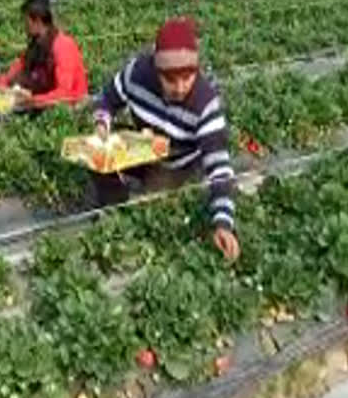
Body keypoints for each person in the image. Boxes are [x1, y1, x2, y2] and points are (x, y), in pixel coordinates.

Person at [93, 17, 239, 262]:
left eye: (187, 78)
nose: (180, 87)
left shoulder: (205, 103)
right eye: (170, 80)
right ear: (156, 69)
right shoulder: (137, 73)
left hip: (177, 166)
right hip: (145, 149)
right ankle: (115, 208)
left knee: (154, 201)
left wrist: (223, 223)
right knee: (96, 152)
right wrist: (101, 124)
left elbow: (220, 169)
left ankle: (144, 206)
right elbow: (107, 99)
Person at [0, 0, 88, 107]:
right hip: (42, 100)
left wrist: (32, 100)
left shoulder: (63, 46)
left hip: (70, 107)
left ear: (37, 21)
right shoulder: (37, 43)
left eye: (26, 20)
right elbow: (19, 66)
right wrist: (2, 83)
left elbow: (64, 94)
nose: (24, 25)